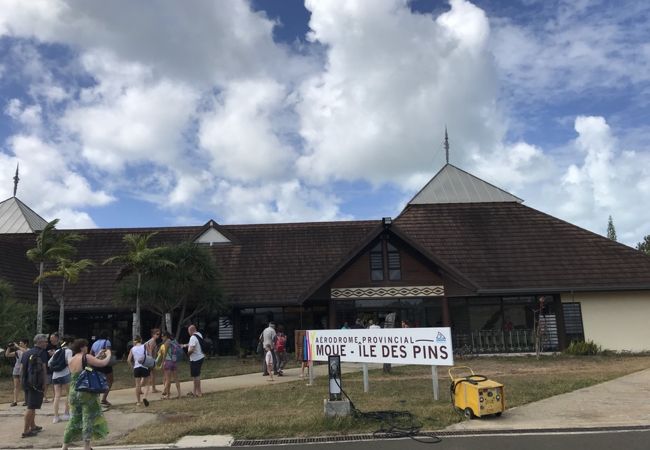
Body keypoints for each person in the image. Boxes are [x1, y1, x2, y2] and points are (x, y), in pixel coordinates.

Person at [61, 338, 112, 450]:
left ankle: (64, 446)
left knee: (74, 419)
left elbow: (85, 367)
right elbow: (103, 363)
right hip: (86, 392)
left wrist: (97, 355)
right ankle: (86, 447)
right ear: (82, 347)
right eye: (86, 346)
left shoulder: (71, 359)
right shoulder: (86, 357)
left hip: (74, 392)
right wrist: (108, 354)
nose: (87, 347)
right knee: (88, 419)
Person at [20, 334, 48, 438]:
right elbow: (44, 370)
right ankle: (26, 431)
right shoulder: (42, 353)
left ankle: (33, 425)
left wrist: (24, 382)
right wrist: (44, 384)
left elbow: (22, 369)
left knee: (32, 404)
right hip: (36, 384)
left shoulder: (27, 353)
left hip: (27, 383)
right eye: (45, 341)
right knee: (31, 407)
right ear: (39, 342)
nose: (46, 343)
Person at [49, 337, 73, 423]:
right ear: (69, 343)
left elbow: (49, 363)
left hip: (55, 376)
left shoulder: (57, 351)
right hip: (65, 374)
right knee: (69, 394)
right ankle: (66, 414)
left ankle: (55, 417)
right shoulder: (69, 351)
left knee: (57, 396)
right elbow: (70, 362)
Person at [90, 331, 114, 406]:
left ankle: (96, 399)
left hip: (96, 364)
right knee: (110, 380)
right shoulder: (107, 342)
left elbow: (91, 353)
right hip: (105, 364)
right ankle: (104, 399)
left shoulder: (95, 343)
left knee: (98, 381)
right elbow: (108, 352)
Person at [126, 336, 150, 407]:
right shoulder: (144, 346)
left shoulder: (132, 349)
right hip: (144, 367)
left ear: (135, 341)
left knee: (137, 385)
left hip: (136, 367)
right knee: (147, 384)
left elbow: (128, 360)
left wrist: (132, 367)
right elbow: (148, 355)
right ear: (141, 340)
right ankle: (145, 397)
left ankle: (138, 402)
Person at [157, 331, 182, 399]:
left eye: (162, 336)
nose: (162, 338)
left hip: (168, 362)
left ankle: (168, 395)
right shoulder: (173, 341)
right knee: (176, 379)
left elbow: (165, 354)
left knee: (168, 380)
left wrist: (162, 362)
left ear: (166, 336)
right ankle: (179, 394)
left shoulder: (166, 343)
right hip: (174, 362)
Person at [184, 324, 205, 397]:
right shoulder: (199, 334)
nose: (188, 333)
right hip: (200, 356)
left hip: (195, 359)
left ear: (191, 330)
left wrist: (187, 354)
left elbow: (192, 349)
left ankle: (199, 393)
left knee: (196, 376)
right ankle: (194, 391)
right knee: (195, 375)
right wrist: (185, 345)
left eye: (188, 331)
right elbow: (193, 344)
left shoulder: (193, 337)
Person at [6, 338, 28, 407]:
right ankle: (15, 401)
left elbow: (26, 352)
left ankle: (26, 400)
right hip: (16, 370)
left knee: (24, 386)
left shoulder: (28, 350)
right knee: (16, 386)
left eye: (21, 343)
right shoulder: (18, 351)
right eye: (19, 343)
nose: (19, 344)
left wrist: (18, 347)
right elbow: (7, 355)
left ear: (26, 343)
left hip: (24, 370)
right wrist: (9, 347)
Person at [44, 332, 60, 402]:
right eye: (50, 338)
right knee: (47, 383)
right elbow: (51, 355)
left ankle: (55, 397)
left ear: (56, 338)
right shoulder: (48, 346)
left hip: (56, 367)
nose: (50, 339)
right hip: (48, 367)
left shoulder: (59, 346)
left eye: (52, 338)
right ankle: (44, 397)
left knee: (55, 383)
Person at [145, 328, 161, 393]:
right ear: (153, 334)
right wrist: (151, 360)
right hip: (150, 360)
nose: (158, 335)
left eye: (159, 334)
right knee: (153, 374)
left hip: (149, 359)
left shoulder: (152, 341)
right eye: (157, 334)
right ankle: (153, 388)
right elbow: (150, 351)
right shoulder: (152, 341)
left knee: (150, 375)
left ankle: (152, 388)